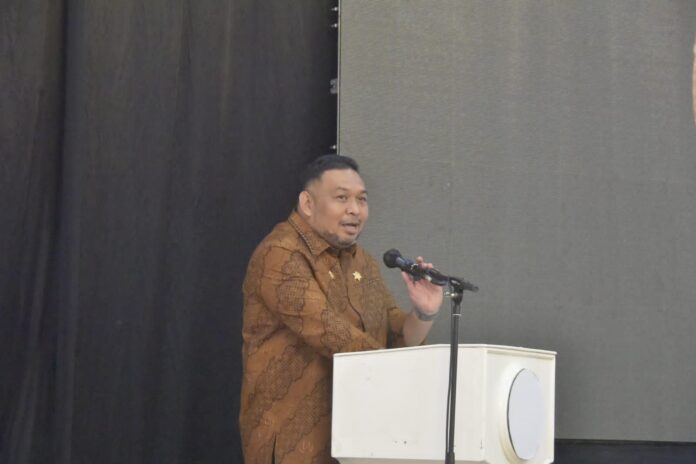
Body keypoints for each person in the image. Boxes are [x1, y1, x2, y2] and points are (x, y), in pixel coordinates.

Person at [240, 155, 443, 464]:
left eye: (362, 200)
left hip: (357, 443)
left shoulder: (363, 262)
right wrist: (407, 378)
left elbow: (395, 334)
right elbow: (334, 335)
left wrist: (424, 314)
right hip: (294, 443)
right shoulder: (280, 254)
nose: (355, 210)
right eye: (341, 198)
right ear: (308, 204)